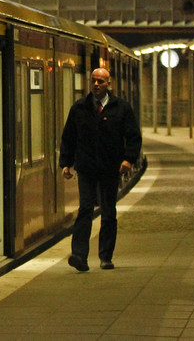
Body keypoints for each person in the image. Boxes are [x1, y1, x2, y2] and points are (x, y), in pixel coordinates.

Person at [59, 67, 141, 272]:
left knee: (108, 212)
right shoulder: (79, 108)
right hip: (86, 168)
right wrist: (66, 163)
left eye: (101, 82)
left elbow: (133, 136)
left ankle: (106, 257)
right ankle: (79, 255)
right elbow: (69, 137)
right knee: (85, 209)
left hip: (110, 168)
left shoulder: (121, 108)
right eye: (94, 81)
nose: (96, 85)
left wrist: (128, 160)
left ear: (109, 84)